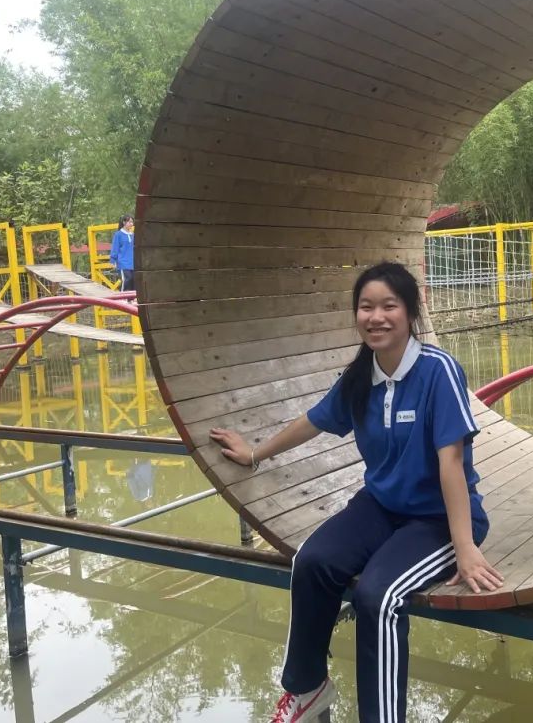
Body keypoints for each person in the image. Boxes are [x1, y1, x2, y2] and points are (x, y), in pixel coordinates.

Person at [209, 262, 502, 723]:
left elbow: (451, 464)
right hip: (381, 507)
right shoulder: (361, 376)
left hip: (438, 520)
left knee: (377, 597)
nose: (376, 317)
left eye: (389, 306)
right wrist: (255, 454)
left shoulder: (437, 371)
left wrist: (464, 548)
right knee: (311, 562)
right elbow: (313, 421)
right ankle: (308, 690)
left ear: (411, 312)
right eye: (366, 307)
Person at [109, 215, 134, 291]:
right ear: (124, 222)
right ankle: (123, 297)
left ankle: (132, 298)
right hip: (123, 263)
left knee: (133, 282)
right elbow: (115, 247)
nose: (131, 224)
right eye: (129, 222)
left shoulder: (133, 235)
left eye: (132, 222)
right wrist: (113, 260)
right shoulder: (118, 234)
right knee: (126, 280)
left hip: (133, 263)